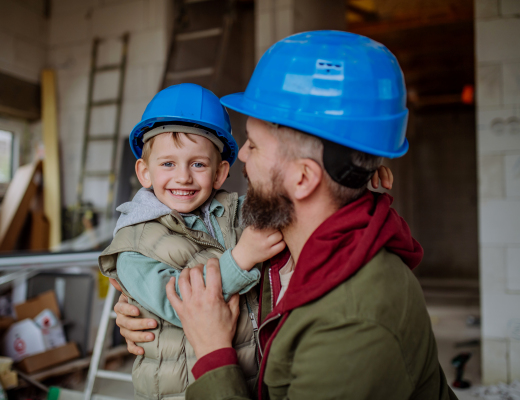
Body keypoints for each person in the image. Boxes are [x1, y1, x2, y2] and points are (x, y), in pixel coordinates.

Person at [115, 31, 458, 399]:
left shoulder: (351, 323)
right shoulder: (283, 244)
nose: (241, 157)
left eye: (254, 145)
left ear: (303, 178)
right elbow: (186, 276)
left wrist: (212, 351)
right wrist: (146, 306)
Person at [98, 83, 286, 399]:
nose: (184, 176)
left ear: (220, 173)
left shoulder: (233, 211)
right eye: (168, 163)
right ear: (145, 172)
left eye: (198, 164)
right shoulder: (133, 243)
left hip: (247, 380)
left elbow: (291, 201)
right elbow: (180, 306)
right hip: (181, 390)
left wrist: (359, 179)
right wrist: (241, 258)